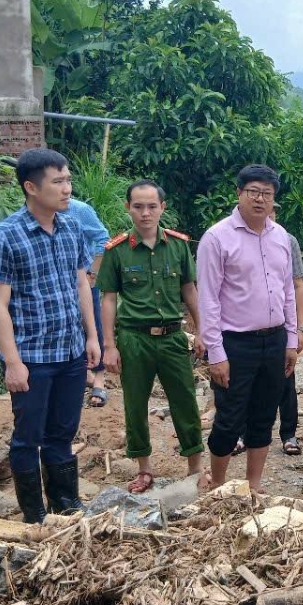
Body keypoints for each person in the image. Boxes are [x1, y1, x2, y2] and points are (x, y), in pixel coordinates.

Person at [0, 148, 100, 523]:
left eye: (68, 180)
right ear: (31, 187)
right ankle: (34, 516)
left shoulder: (72, 228)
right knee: (27, 438)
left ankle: (66, 505)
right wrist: (12, 362)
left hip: (70, 352)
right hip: (32, 358)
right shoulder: (4, 236)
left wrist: (92, 337)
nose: (67, 189)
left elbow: (81, 284)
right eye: (58, 181)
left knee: (62, 434)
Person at [98, 180, 206, 493]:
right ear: (128, 208)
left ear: (162, 208)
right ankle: (144, 469)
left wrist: (202, 331)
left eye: (151, 206)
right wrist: (109, 345)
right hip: (134, 339)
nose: (145, 213)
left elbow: (189, 290)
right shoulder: (117, 251)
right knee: (135, 404)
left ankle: (195, 467)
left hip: (172, 337)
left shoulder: (178, 245)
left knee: (185, 400)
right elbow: (108, 299)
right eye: (138, 206)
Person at [197, 164, 298, 493]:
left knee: (264, 415)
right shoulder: (217, 237)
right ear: (239, 193)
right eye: (253, 192)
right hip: (235, 343)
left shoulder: (281, 237)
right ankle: (219, 485)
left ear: (274, 198)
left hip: (275, 339)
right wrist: (216, 353)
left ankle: (254, 486)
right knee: (229, 417)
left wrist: (291, 340)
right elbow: (208, 299)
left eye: (267, 193)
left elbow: (287, 292)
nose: (260, 199)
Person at [270, 203, 303, 456]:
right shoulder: (233, 239)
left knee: (286, 379)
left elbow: (297, 285)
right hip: (247, 328)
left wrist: (300, 328)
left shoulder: (287, 240)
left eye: (272, 211)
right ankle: (242, 434)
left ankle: (289, 434)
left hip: (282, 324)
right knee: (246, 382)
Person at [66, 198, 111, 407]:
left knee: (92, 325)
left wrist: (92, 271)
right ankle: (83, 373)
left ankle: (99, 377)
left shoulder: (80, 210)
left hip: (84, 281)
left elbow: (103, 238)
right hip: (59, 283)